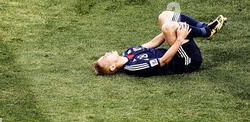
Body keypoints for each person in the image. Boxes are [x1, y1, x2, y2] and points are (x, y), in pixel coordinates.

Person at [93, 11, 227, 77]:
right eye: (105, 57)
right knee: (169, 27)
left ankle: (202, 26)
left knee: (164, 16)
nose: (106, 53)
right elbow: (163, 61)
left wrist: (167, 30)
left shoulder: (128, 53)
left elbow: (152, 43)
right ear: (112, 67)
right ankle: (207, 31)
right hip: (187, 61)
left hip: (179, 52)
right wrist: (178, 38)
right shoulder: (133, 67)